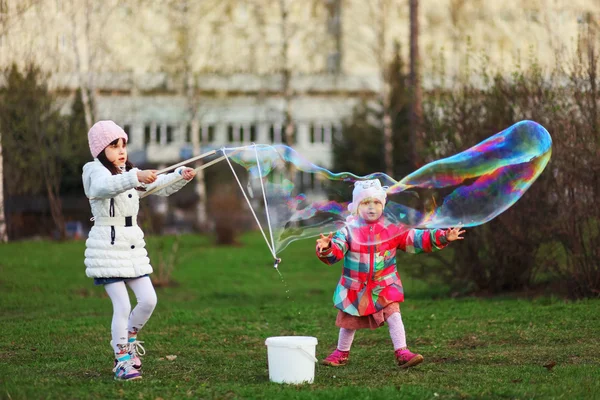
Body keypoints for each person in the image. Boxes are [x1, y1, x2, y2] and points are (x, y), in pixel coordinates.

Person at [82, 120, 196, 381]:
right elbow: (103, 187)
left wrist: (180, 175)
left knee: (149, 300)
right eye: (114, 146)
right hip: (107, 249)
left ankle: (129, 338)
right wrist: (135, 177)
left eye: (123, 144)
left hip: (131, 247)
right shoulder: (94, 171)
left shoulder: (127, 172)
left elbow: (155, 184)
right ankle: (121, 360)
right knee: (121, 306)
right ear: (100, 150)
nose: (121, 150)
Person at [316, 179, 465, 369]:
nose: (372, 208)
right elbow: (336, 251)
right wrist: (327, 247)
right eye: (366, 203)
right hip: (355, 286)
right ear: (356, 206)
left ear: (383, 204)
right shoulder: (347, 231)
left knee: (394, 316)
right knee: (349, 322)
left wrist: (443, 236)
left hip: (384, 285)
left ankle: (402, 352)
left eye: (377, 203)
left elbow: (416, 239)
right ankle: (341, 353)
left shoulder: (392, 229)